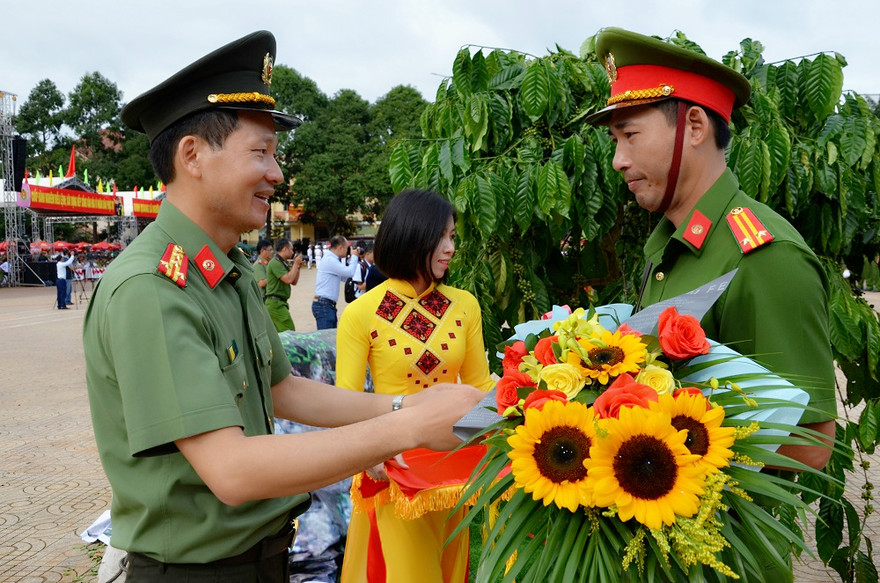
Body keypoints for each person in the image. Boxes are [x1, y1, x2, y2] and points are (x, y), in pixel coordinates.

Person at [82, 31, 485, 582]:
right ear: (193, 155)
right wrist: (408, 431)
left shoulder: (226, 270)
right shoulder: (153, 287)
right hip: (195, 570)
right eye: (261, 153)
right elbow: (233, 471)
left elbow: (282, 389)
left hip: (260, 557)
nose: (276, 173)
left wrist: (407, 409)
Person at [587, 27, 837, 580]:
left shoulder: (763, 257)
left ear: (695, 126)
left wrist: (646, 451)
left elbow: (811, 443)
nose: (618, 161)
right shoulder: (670, 246)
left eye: (629, 135)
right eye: (614, 142)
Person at [336, 189, 496, 583]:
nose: (450, 247)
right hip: (394, 463)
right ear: (412, 236)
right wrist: (369, 454)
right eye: (441, 237)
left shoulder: (464, 304)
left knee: (449, 566)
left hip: (452, 461)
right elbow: (344, 401)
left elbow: (478, 385)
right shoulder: (362, 313)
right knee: (407, 571)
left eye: (453, 236)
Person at [312, 235, 361, 329]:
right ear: (340, 247)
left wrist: (351, 261)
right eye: (347, 248)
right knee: (327, 340)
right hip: (324, 305)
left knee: (330, 338)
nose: (348, 250)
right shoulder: (330, 260)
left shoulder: (332, 259)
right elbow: (349, 272)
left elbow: (344, 277)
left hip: (326, 305)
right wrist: (354, 256)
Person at [265, 238, 303, 332]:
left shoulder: (281, 262)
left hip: (279, 303)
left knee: (281, 333)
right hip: (275, 303)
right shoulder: (275, 262)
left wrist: (297, 268)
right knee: (289, 331)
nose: (292, 252)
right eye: (291, 249)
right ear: (285, 249)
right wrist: (295, 264)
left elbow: (294, 281)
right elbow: (288, 279)